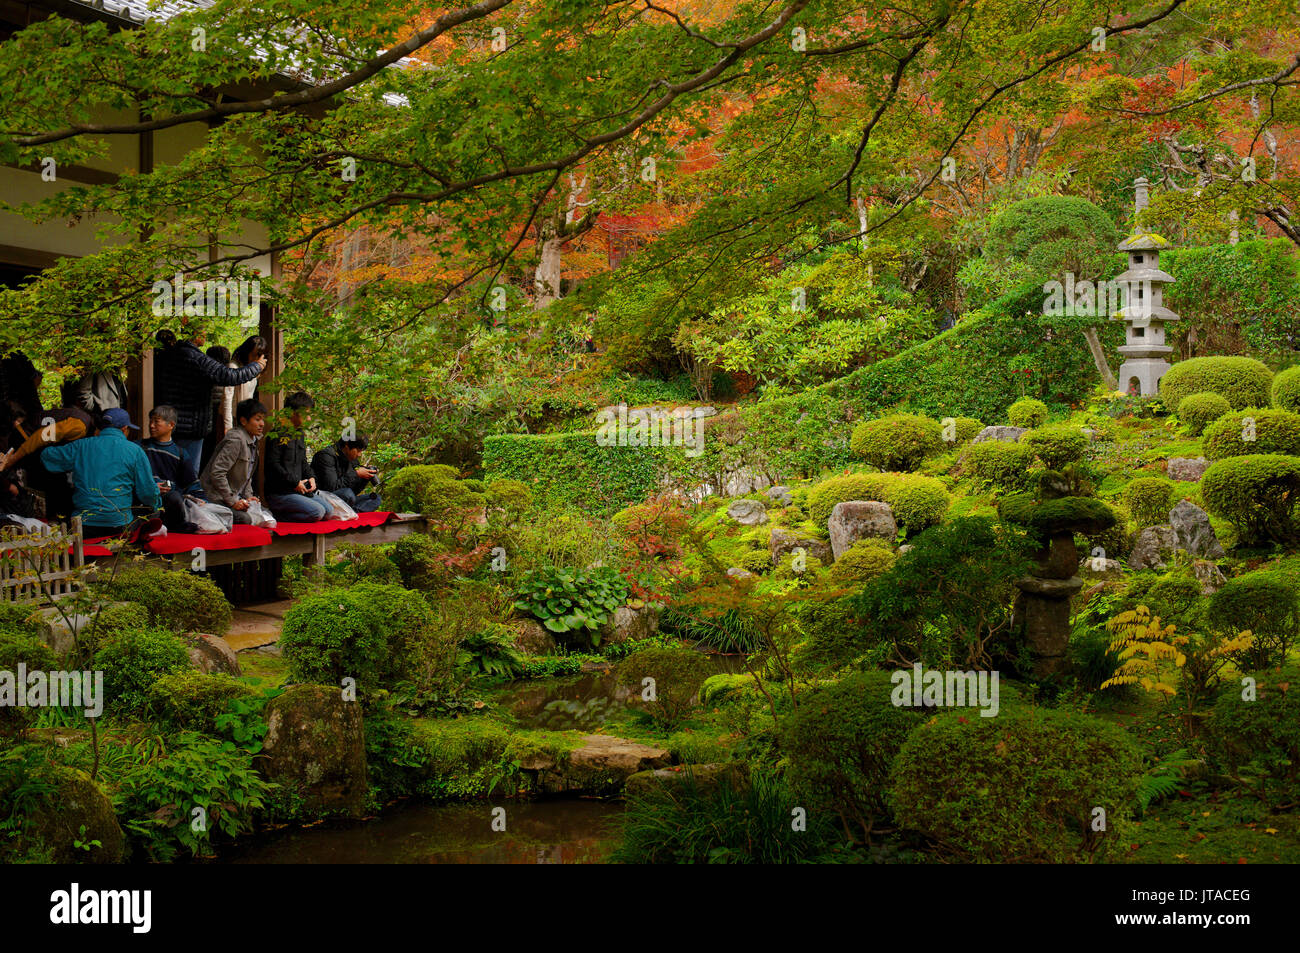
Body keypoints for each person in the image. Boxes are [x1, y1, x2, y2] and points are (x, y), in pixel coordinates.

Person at [153, 329, 266, 487]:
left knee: (174, 475)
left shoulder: (174, 355)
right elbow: (227, 376)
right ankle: (185, 507)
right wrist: (257, 367)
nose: (205, 332)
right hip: (190, 427)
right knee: (188, 479)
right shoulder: (192, 356)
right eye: (202, 328)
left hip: (179, 424)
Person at [41, 408, 161, 540]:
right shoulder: (135, 451)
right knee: (154, 510)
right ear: (124, 429)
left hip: (84, 524)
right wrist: (157, 503)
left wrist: (60, 434)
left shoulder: (81, 446)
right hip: (119, 525)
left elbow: (47, 456)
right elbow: (148, 494)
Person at [0, 402, 96, 522]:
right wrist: (14, 458)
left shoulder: (84, 422)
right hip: (26, 439)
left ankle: (52, 516)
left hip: (35, 442)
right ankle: (51, 518)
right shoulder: (80, 426)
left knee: (56, 478)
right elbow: (41, 436)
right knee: (54, 479)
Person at [265, 392, 329, 522]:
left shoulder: (299, 434)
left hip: (298, 491)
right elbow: (273, 465)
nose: (309, 419)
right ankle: (277, 516)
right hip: (280, 493)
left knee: (329, 511)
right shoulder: (277, 434)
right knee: (318, 512)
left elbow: (303, 462)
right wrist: (294, 483)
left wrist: (311, 477)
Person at [200, 398, 265, 524]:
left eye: (262, 419)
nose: (262, 424)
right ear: (243, 421)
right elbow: (217, 473)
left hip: (235, 497)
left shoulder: (253, 440)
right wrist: (233, 501)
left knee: (265, 514)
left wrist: (248, 497)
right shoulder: (236, 439)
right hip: (215, 496)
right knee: (246, 519)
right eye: (257, 419)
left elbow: (247, 475)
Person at [140, 405, 200, 533]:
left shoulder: (180, 453)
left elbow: (191, 484)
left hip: (168, 502)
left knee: (174, 497)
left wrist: (201, 500)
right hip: (145, 499)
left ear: (171, 425)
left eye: (156, 421)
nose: (151, 425)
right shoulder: (139, 447)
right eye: (150, 421)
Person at [312, 432, 382, 512]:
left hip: (343, 499)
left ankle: (351, 512)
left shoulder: (351, 459)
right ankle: (351, 512)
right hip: (323, 498)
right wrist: (356, 474)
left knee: (375, 498)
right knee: (347, 494)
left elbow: (354, 491)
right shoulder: (325, 456)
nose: (359, 454)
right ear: (347, 445)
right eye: (358, 450)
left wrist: (364, 478)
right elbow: (331, 488)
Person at [223, 335, 267, 431]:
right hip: (232, 417)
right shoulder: (233, 367)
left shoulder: (253, 369)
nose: (256, 358)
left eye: (259, 355)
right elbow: (227, 398)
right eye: (254, 354)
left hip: (246, 418)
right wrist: (227, 425)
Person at [204, 344, 232, 467]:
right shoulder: (228, 374)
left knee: (208, 447)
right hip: (223, 414)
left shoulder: (208, 373)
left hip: (209, 415)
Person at [63, 369, 128, 415]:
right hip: (103, 418)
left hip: (119, 416)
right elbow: (83, 393)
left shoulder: (117, 368)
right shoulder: (95, 366)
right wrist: (97, 411)